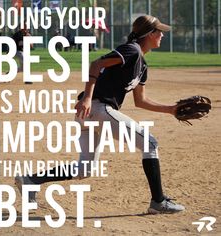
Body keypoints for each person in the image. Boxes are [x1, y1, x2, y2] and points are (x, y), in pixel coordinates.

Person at [15, 15, 185, 214]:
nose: (162, 35)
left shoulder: (142, 66)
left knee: (84, 169)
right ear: (149, 34)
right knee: (150, 144)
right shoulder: (132, 50)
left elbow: (141, 101)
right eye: (159, 31)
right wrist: (87, 97)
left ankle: (30, 181)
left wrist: (171, 109)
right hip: (96, 108)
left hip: (91, 113)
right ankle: (158, 202)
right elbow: (96, 64)